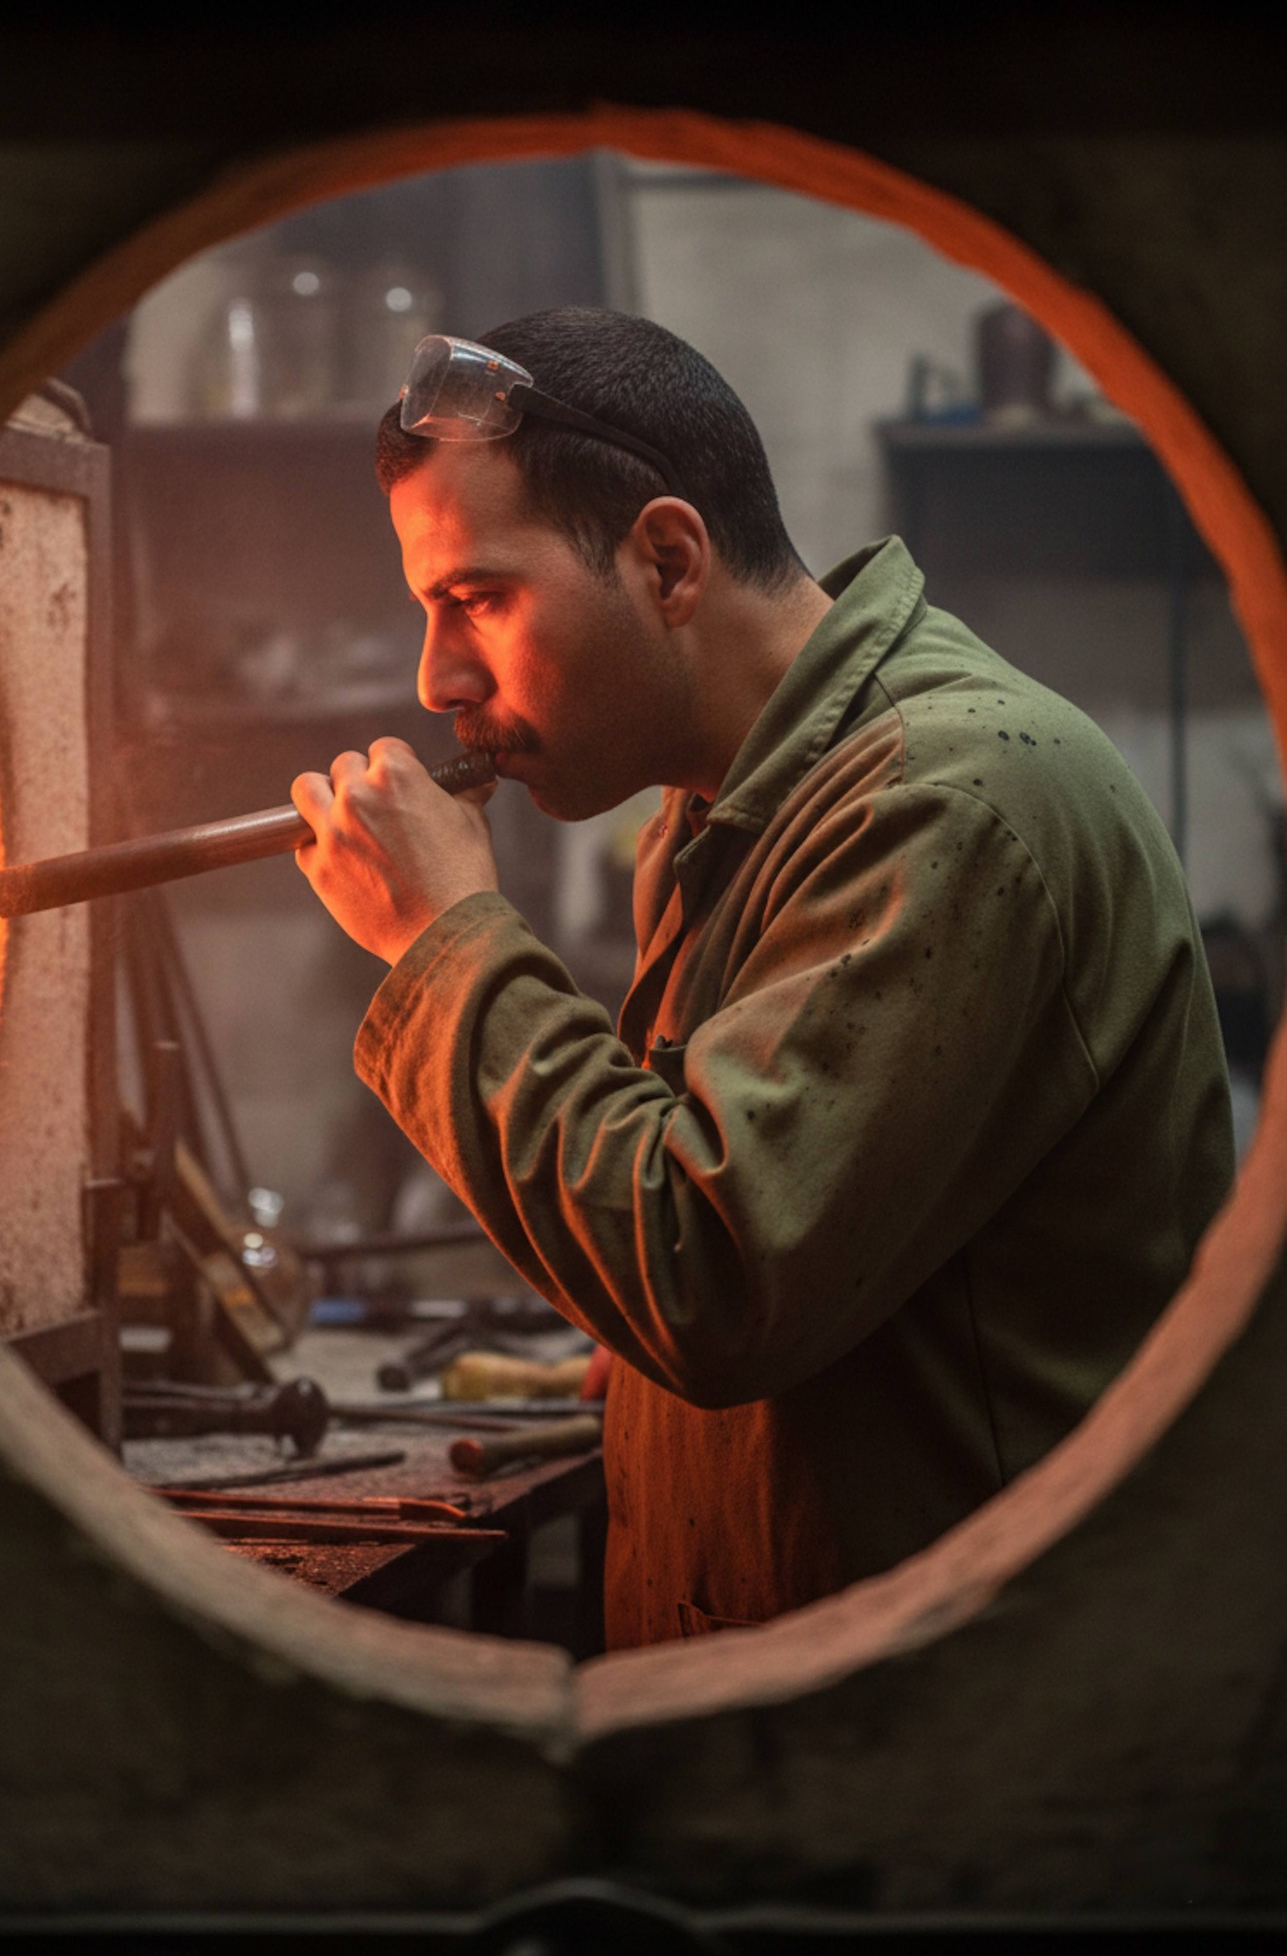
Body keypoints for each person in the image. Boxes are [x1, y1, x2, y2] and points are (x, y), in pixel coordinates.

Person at [290, 307, 1234, 1650]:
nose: (439, 677)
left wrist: (443, 945)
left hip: (955, 1741)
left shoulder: (948, 802)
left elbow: (711, 1275)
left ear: (669, 557)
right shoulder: (720, 810)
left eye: (479, 600)